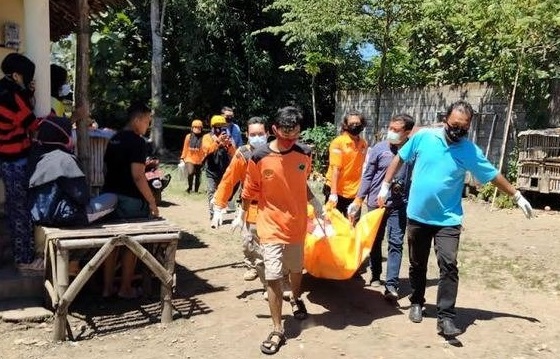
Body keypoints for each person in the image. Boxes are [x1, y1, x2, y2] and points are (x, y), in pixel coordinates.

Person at [378, 100, 534, 337]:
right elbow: (400, 157)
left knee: (449, 265)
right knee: (417, 263)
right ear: (445, 120)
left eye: (463, 127)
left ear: (469, 126)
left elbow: (492, 174)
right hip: (418, 216)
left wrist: (516, 195)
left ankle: (446, 317)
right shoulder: (424, 138)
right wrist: (385, 185)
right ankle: (418, 300)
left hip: (448, 219)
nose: (458, 130)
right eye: (454, 125)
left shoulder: (469, 150)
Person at [241, 106, 322, 355]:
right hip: (269, 224)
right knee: (274, 276)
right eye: (285, 135)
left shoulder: (305, 153)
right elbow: (250, 191)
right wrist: (244, 217)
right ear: (274, 130)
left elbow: (301, 183)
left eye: (295, 135)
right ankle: (277, 328)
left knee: (296, 270)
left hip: (297, 224)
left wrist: (315, 203)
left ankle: (296, 298)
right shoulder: (258, 156)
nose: (290, 140)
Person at [348, 114, 415, 298]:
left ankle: (391, 284)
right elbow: (368, 175)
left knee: (396, 242)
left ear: (407, 132)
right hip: (376, 204)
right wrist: (358, 199)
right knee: (375, 241)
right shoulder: (379, 149)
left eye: (396, 130)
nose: (391, 132)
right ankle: (376, 275)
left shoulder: (414, 150)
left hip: (399, 205)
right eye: (390, 128)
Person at [101, 102, 158, 298]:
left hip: (108, 196)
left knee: (111, 244)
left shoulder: (114, 139)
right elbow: (138, 176)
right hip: (130, 200)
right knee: (131, 244)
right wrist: (151, 201)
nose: (148, 126)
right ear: (137, 120)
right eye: (147, 121)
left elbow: (106, 169)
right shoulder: (137, 142)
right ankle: (125, 288)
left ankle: (107, 288)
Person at [0, 53, 42, 270]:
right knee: (21, 210)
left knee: (15, 209)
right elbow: (32, 124)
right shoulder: (13, 96)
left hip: (5, 160)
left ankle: (21, 257)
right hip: (16, 160)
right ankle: (24, 260)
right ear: (16, 75)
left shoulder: (4, 91)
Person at [323, 111, 368, 218]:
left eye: (358, 123)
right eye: (352, 123)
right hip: (336, 189)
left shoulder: (363, 143)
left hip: (354, 191)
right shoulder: (338, 143)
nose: (355, 126)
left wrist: (361, 192)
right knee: (333, 225)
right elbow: (336, 169)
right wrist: (333, 194)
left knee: (352, 225)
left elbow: (363, 167)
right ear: (345, 125)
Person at [201, 114, 236, 220]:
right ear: (213, 126)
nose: (220, 128)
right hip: (211, 170)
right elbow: (207, 151)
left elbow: (233, 154)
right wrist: (217, 142)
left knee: (223, 192)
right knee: (211, 191)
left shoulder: (228, 138)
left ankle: (219, 211)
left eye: (222, 126)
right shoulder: (207, 137)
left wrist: (228, 144)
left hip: (224, 170)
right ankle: (212, 213)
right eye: (218, 126)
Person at [180, 119, 205, 193]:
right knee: (190, 173)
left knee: (198, 176)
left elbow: (205, 149)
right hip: (189, 158)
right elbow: (185, 148)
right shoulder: (188, 137)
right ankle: (190, 188)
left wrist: (204, 159)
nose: (197, 129)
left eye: (199, 127)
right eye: (195, 127)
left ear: (201, 128)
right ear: (192, 128)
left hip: (200, 160)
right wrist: (182, 158)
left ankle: (196, 190)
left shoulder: (203, 138)